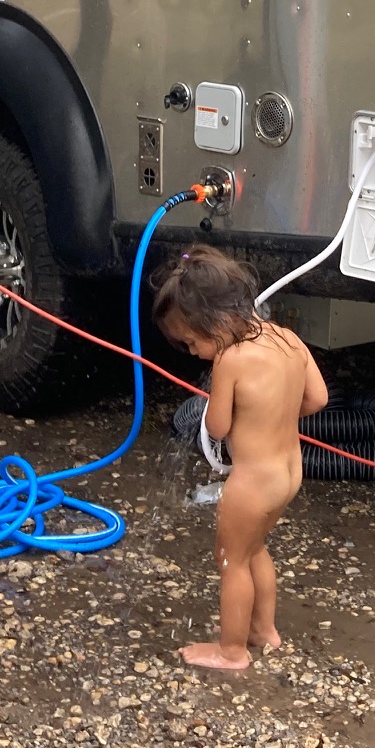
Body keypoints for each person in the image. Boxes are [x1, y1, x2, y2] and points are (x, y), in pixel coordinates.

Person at [153, 246, 328, 670]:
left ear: (214, 321)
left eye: (191, 342)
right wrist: (275, 414)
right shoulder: (288, 338)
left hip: (252, 482)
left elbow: (216, 427)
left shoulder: (230, 359)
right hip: (288, 474)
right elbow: (318, 399)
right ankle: (264, 631)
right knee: (254, 549)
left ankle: (231, 651)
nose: (192, 352)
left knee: (231, 561)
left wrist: (221, 410)